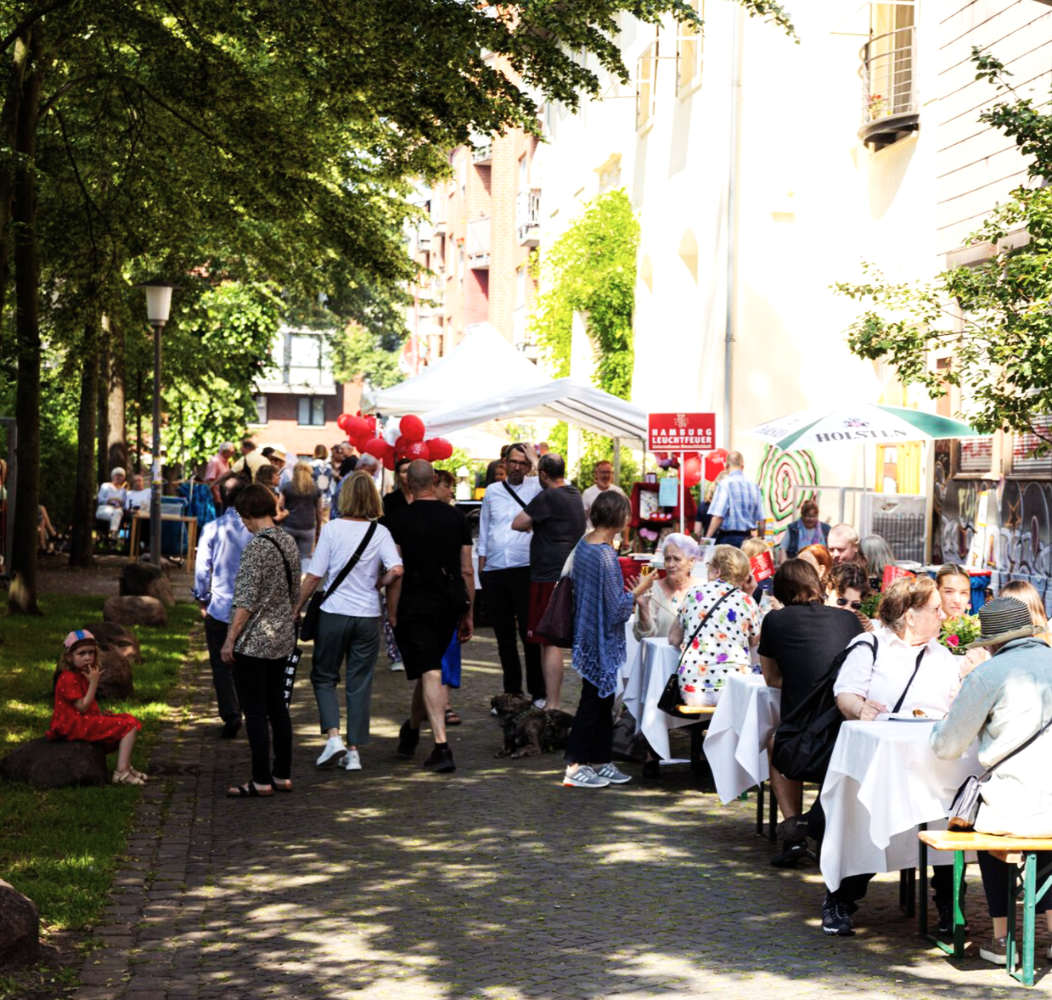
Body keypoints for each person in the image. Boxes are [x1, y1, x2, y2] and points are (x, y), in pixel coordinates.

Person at [821, 576, 962, 937]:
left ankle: (949, 904)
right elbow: (845, 694)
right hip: (878, 759)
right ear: (911, 615)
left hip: (932, 760)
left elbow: (955, 703)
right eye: (935, 609)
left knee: (946, 813)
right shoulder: (869, 645)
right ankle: (840, 899)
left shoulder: (942, 655)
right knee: (863, 817)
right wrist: (861, 708)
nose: (943, 615)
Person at [931, 596, 1052, 966]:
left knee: (988, 829)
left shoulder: (988, 674)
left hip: (1015, 807)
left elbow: (946, 746)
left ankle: (1002, 939)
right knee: (1045, 846)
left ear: (992, 642)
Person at [295, 472, 403, 772]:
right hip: (367, 616)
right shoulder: (380, 532)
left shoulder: (332, 529)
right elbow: (397, 569)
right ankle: (354, 752)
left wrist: (296, 608)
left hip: (334, 613)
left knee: (323, 676)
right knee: (359, 684)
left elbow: (315, 575)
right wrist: (379, 583)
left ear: (345, 497)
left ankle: (333, 737)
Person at [759, 560, 864, 865]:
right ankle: (820, 824)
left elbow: (771, 678)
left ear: (780, 592)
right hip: (849, 729)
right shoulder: (848, 619)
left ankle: (794, 831)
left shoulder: (774, 621)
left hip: (807, 737)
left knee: (777, 744)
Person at [384, 460, 474, 774]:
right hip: (447, 607)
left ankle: (441, 746)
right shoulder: (456, 517)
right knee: (428, 670)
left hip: (414, 606)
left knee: (430, 671)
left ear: (408, 483)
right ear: (434, 480)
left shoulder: (397, 521)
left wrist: (392, 612)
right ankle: (410, 731)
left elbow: (396, 572)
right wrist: (468, 612)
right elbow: (466, 570)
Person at [220, 484, 301, 797]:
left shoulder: (257, 547)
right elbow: (294, 592)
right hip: (282, 637)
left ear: (249, 513)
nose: (242, 521)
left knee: (254, 712)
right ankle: (282, 775)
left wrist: (230, 640)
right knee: (278, 707)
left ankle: (260, 779)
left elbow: (245, 600)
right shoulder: (288, 541)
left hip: (254, 641)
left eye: (242, 515)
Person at [563, 491, 637, 789]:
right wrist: (638, 591)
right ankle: (575, 764)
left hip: (588, 631)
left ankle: (600, 760)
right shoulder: (605, 554)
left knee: (602, 699)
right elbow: (617, 608)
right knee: (593, 702)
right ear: (619, 518)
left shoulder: (586, 543)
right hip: (599, 637)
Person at [513, 452, 586, 712]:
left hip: (548, 576)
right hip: (566, 573)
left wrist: (534, 524)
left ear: (543, 475)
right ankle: (551, 701)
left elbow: (518, 523)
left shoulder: (548, 496)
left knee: (550, 641)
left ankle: (552, 703)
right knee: (549, 640)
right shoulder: (574, 494)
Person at [477, 443, 544, 704]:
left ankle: (538, 692)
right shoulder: (493, 491)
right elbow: (485, 528)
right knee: (503, 637)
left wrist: (535, 461)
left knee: (529, 635)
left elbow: (562, 486)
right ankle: (512, 692)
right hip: (494, 569)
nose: (517, 467)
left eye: (522, 463)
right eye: (513, 462)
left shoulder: (537, 487)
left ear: (529, 466)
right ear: (504, 462)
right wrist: (482, 568)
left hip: (524, 567)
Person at [193, 473, 254, 738]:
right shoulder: (257, 531)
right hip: (251, 609)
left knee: (221, 664)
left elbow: (202, 569)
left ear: (221, 496)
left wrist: (201, 598)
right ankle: (246, 707)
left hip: (219, 607)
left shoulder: (212, 528)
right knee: (246, 661)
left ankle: (231, 713)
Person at [48, 630, 145, 785]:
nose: (88, 657)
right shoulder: (67, 677)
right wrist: (94, 683)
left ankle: (126, 765)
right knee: (128, 726)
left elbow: (88, 704)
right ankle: (121, 773)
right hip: (72, 725)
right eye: (81, 653)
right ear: (69, 656)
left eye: (91, 653)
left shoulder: (81, 674)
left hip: (81, 719)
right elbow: (82, 707)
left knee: (128, 718)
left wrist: (100, 713)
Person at [668, 545, 759, 707]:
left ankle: (696, 732)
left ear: (717, 571)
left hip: (693, 690)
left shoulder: (694, 593)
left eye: (709, 566)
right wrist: (749, 593)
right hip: (733, 688)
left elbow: (673, 639)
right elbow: (754, 642)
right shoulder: (747, 601)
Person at [634, 533, 698, 641]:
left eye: (677, 559)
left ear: (691, 562)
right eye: (667, 559)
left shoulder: (703, 589)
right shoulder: (651, 590)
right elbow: (643, 636)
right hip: (661, 656)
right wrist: (643, 607)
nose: (670, 564)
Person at [700, 451, 766, 547]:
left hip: (728, 539)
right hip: (748, 539)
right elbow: (762, 519)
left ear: (726, 467)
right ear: (742, 466)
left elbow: (718, 516)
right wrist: (761, 540)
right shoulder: (754, 486)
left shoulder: (724, 484)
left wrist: (707, 539)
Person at [280, 461, 323, 561]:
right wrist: (318, 529)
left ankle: (289, 576)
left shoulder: (287, 486)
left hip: (289, 526)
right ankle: (303, 576)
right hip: (308, 527)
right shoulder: (315, 489)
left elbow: (280, 505)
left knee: (288, 556)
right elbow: (319, 511)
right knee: (305, 557)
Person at [827, 561, 874, 631]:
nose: (847, 608)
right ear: (828, 589)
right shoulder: (813, 616)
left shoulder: (863, 622)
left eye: (855, 604)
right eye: (841, 601)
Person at [581, 460, 627, 531]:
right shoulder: (587, 493)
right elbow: (583, 519)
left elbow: (625, 517)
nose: (606, 475)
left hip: (614, 538)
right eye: (603, 472)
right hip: (593, 536)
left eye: (609, 472)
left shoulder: (619, 492)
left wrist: (626, 540)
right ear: (596, 474)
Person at [96, 467, 127, 540]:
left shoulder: (123, 490)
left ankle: (113, 533)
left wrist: (121, 506)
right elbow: (100, 500)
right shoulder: (105, 486)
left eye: (121, 476)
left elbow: (124, 503)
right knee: (116, 514)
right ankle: (113, 536)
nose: (119, 477)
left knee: (118, 512)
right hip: (104, 509)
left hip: (117, 511)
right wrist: (111, 499)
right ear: (113, 476)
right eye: (117, 475)